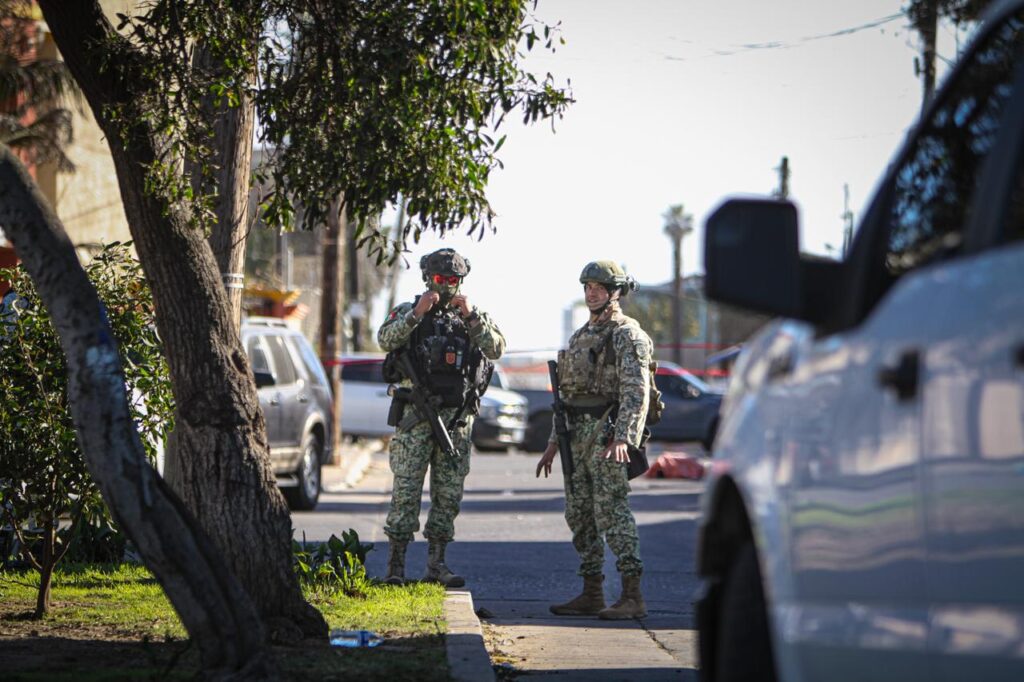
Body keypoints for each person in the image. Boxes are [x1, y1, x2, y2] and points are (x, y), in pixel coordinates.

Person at [378, 248, 505, 587]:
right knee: (406, 491)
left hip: (457, 421)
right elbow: (384, 339)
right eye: (440, 280)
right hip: (415, 419)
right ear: (426, 279)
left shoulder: (472, 316)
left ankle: (437, 564)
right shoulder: (409, 311)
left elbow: (496, 349)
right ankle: (395, 566)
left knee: (448, 495)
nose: (447, 286)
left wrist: (472, 318)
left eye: (453, 280)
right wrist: (416, 314)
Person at [536, 260, 652, 619]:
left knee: (612, 512)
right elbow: (567, 396)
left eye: (599, 287)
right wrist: (554, 442)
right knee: (580, 515)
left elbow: (637, 391)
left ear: (616, 291)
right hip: (576, 435)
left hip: (606, 434)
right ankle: (592, 592)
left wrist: (624, 438)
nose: (592, 292)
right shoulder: (582, 334)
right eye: (587, 286)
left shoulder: (626, 334)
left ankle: (632, 596)